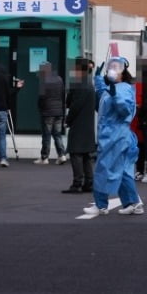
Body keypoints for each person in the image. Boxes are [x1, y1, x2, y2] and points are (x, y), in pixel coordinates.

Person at [84, 57, 144, 216]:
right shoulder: (116, 87)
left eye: (116, 67)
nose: (112, 70)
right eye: (110, 67)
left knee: (103, 169)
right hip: (113, 135)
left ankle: (101, 204)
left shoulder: (123, 89)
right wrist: (97, 78)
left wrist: (115, 95)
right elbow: (104, 91)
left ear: (123, 73)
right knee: (121, 171)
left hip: (116, 136)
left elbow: (125, 111)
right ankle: (133, 203)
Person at [62, 58, 96, 193]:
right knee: (86, 155)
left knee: (76, 153)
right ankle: (89, 182)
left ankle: (77, 183)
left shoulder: (78, 84)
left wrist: (68, 120)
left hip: (78, 124)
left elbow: (73, 105)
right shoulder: (90, 83)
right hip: (88, 123)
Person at [34, 61, 67, 165]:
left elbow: (41, 98)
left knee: (46, 135)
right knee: (57, 134)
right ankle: (61, 155)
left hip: (47, 111)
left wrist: (40, 108)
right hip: (59, 111)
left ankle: (44, 157)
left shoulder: (43, 81)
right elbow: (63, 95)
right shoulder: (59, 79)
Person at [0, 64, 23, 168]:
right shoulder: (4, 79)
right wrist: (17, 88)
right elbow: (8, 93)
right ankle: (3, 158)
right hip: (2, 110)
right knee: (2, 136)